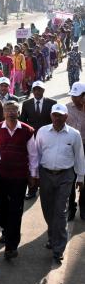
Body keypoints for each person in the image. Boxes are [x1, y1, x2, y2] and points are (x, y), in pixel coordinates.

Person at [36, 103, 85, 263]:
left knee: (60, 212)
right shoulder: (43, 132)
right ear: (51, 116)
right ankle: (52, 236)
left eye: (60, 115)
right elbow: (36, 153)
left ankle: (58, 248)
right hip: (46, 175)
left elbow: (79, 156)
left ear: (66, 117)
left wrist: (81, 178)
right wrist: (34, 175)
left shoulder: (74, 134)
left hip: (66, 176)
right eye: (55, 115)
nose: (57, 118)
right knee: (47, 209)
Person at [0, 101, 38, 260]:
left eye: (14, 110)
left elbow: (33, 155)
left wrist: (32, 175)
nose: (11, 112)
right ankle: (7, 230)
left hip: (19, 177)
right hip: (0, 177)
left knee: (15, 211)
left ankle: (11, 246)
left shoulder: (27, 130)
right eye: (8, 110)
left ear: (19, 112)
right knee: (0, 210)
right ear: (3, 112)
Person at [20, 80, 57, 200]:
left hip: (48, 139)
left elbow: (55, 122)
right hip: (32, 140)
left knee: (46, 164)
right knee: (33, 164)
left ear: (43, 90)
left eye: (39, 89)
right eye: (35, 89)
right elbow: (22, 122)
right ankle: (32, 189)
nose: (37, 91)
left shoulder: (52, 103)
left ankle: (46, 188)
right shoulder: (26, 104)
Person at [66, 82, 85, 221]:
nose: (74, 98)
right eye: (72, 95)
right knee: (70, 179)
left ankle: (83, 206)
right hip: (70, 148)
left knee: (84, 179)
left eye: (77, 96)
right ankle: (71, 208)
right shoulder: (66, 109)